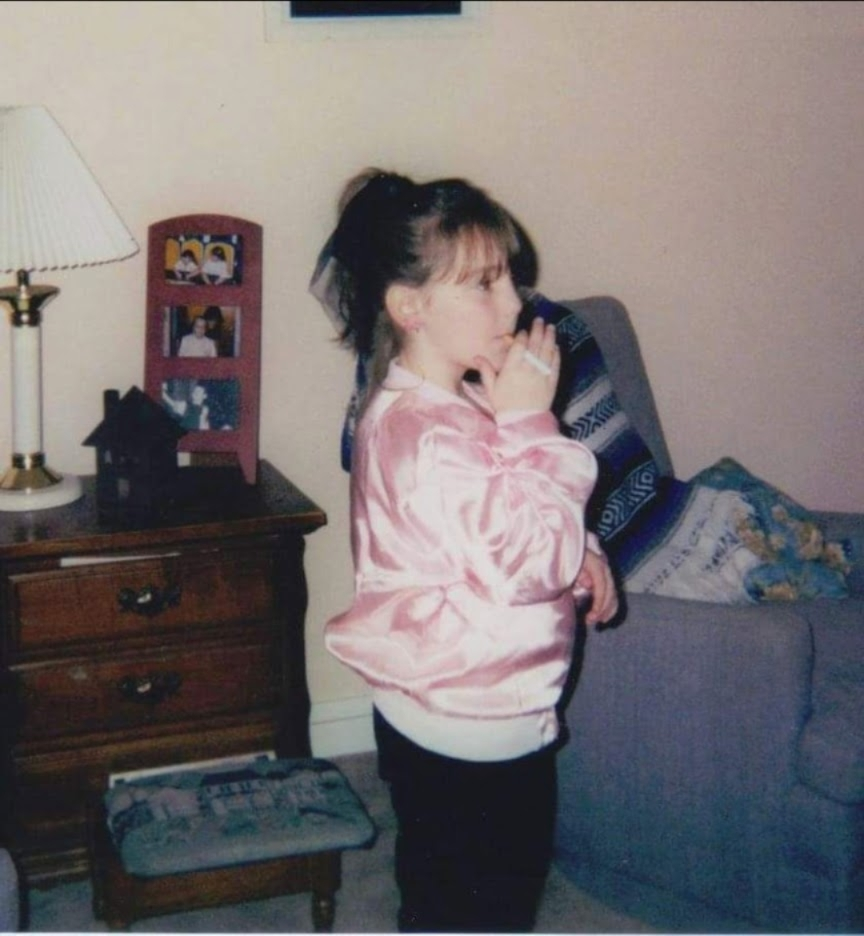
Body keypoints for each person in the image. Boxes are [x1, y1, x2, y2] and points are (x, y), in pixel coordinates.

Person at [315, 169, 619, 933]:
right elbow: (524, 560)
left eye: (511, 280)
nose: (515, 304)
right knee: (483, 905)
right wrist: (532, 425)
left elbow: (508, 513)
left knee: (454, 894)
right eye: (484, 285)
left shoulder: (451, 400)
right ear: (409, 307)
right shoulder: (431, 437)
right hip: (471, 722)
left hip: (466, 705)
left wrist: (582, 545)